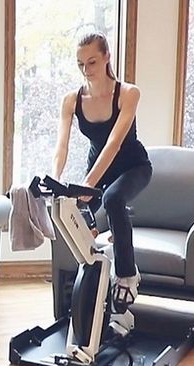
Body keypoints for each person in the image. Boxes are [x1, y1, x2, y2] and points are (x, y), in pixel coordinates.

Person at [51, 32, 152, 312]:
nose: (86, 70)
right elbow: (61, 146)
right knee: (72, 215)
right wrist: (56, 180)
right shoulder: (72, 100)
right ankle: (90, 284)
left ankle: (128, 276)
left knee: (113, 200)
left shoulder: (128, 93)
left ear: (107, 57)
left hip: (133, 166)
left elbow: (114, 144)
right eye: (80, 64)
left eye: (92, 62)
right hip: (97, 171)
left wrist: (87, 185)